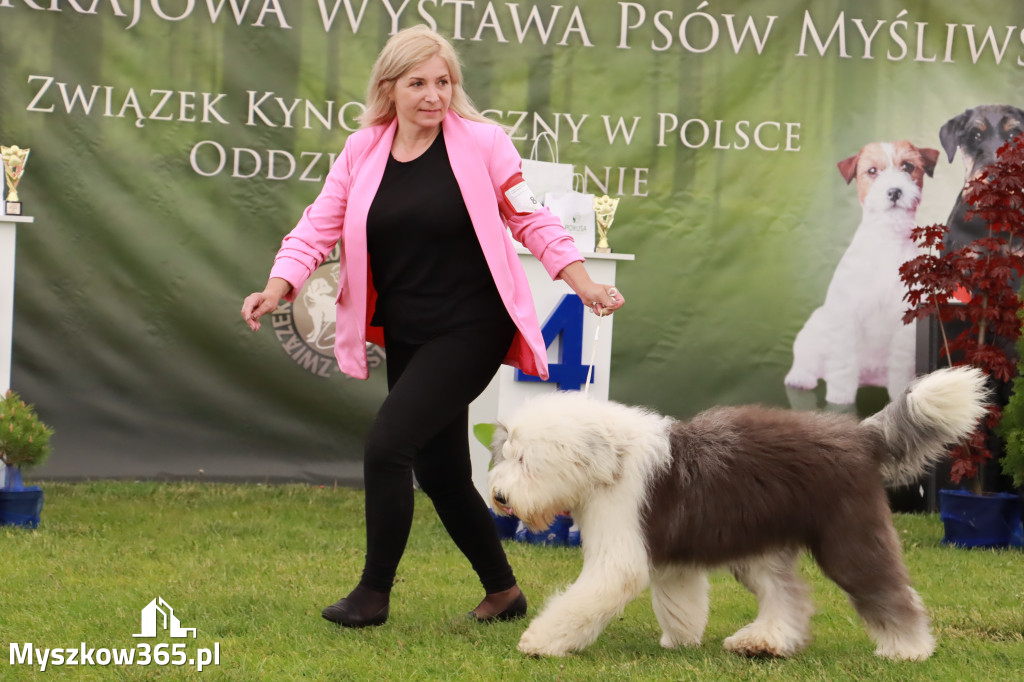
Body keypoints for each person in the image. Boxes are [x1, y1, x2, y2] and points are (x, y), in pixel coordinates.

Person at [240, 25, 625, 628]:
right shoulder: (362, 149)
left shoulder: (484, 143)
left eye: (443, 82)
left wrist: (584, 283)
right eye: (418, 82)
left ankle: (372, 595)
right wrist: (277, 284)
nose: (433, 94)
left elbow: (533, 220)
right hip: (408, 331)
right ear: (389, 88)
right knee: (440, 468)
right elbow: (318, 224)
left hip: (471, 325)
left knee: (388, 447)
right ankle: (504, 592)